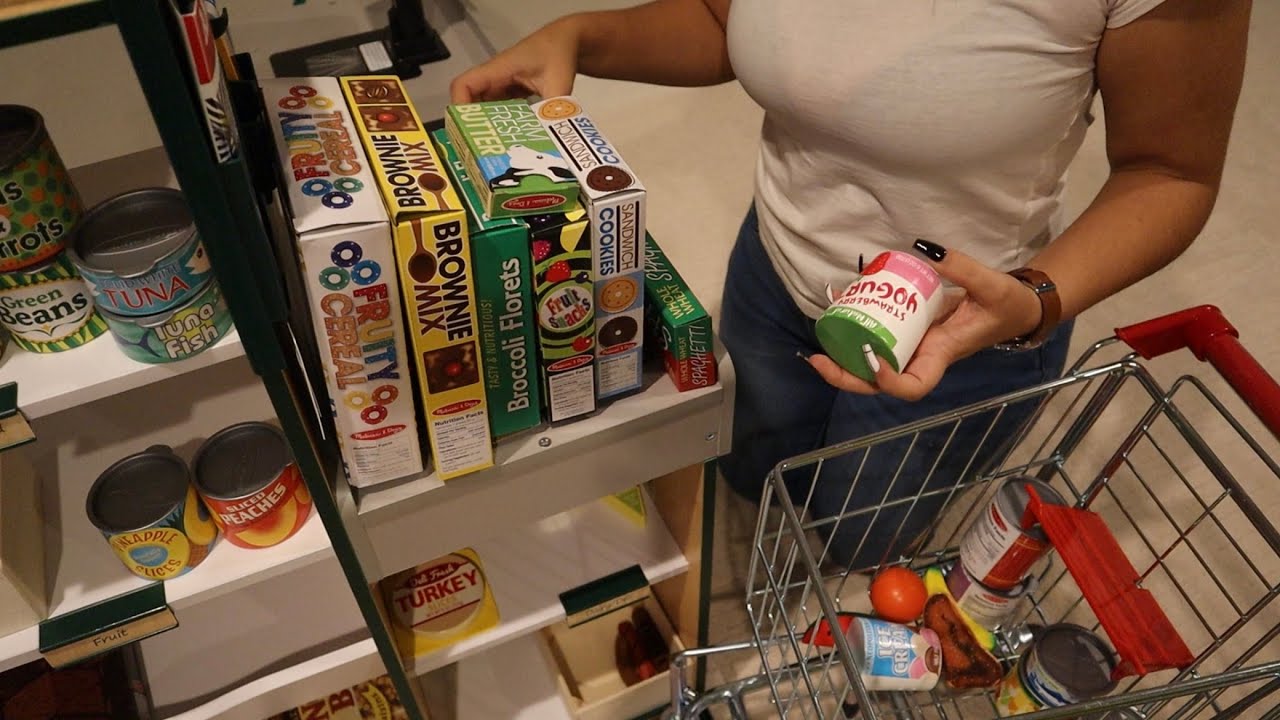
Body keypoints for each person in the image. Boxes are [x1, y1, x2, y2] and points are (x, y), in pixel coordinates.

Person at [452, 0, 1251, 569]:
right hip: (776, 265)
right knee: (748, 471)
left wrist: (1038, 296)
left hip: (965, 328)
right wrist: (583, 34)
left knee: (855, 536)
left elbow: (1170, 169)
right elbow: (727, 22)